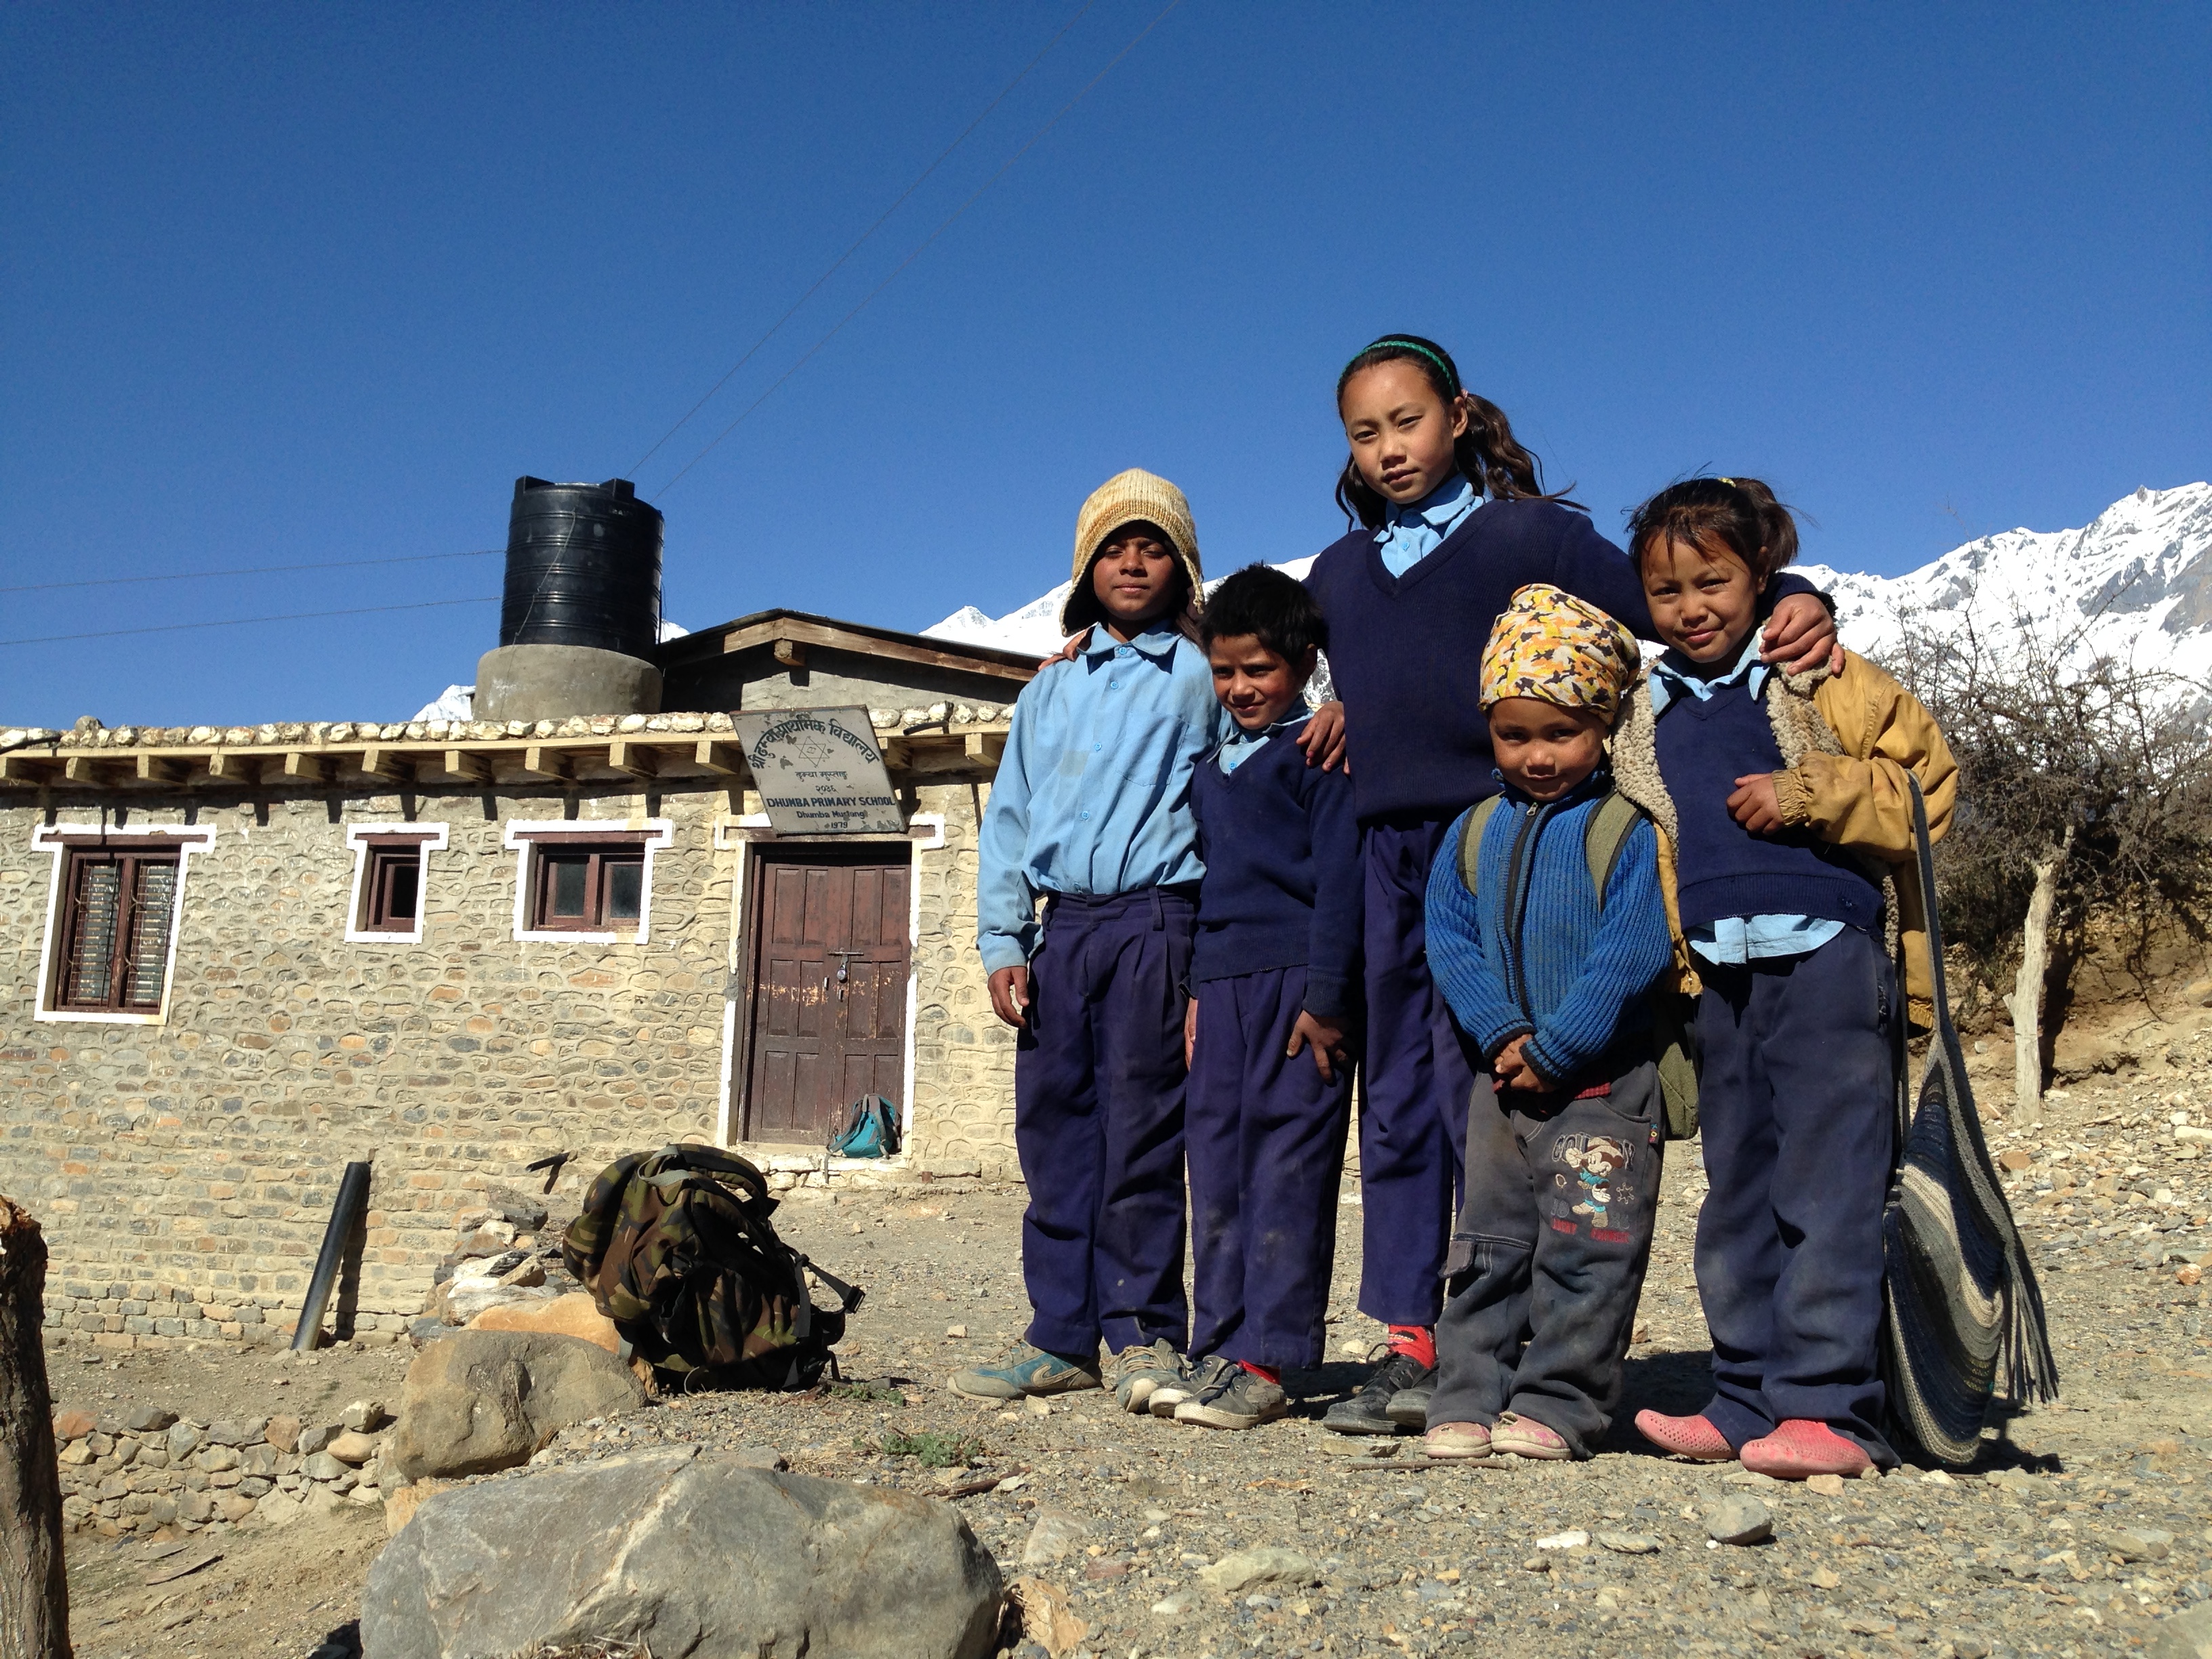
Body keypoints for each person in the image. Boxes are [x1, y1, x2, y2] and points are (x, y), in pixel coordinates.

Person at [1298, 335, 1841, 1433]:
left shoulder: (1527, 537)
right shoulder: (1336, 576)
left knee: (1495, 1101)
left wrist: (1790, 593)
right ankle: (1412, 1341)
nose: (1389, 448)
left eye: (1407, 421)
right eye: (1364, 433)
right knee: (1396, 1107)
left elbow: (1673, 597)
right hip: (1385, 858)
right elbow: (1283, 664)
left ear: (1456, 417)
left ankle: (1518, 1343)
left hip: (1507, 849)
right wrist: (1336, 699)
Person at [1610, 476, 1957, 1478]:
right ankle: (1743, 1397)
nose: (1692, 608)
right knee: (1739, 1189)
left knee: (1831, 1183)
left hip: (1829, 963)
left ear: (1762, 575)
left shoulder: (1819, 677)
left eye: (1713, 581)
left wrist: (1808, 792)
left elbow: (1928, 790)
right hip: (1717, 979)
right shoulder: (1643, 708)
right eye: (1667, 591)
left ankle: (1831, 1408)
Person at [960, 468, 1227, 1409]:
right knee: (1055, 1134)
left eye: (1154, 548)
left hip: (1157, 923)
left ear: (1183, 568)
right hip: (1060, 933)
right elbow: (1011, 818)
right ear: (1085, 570)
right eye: (1115, 548)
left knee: (1143, 1131)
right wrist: (1004, 941)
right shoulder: (1050, 689)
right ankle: (1061, 1335)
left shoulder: (1201, 677)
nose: (1133, 563)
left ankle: (1143, 1333)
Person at [1416, 583, 1674, 1461]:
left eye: (1560, 733)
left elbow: (1632, 952)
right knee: (1487, 1246)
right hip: (1503, 1086)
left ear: (1604, 725)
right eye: (1514, 734)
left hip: (1604, 1087)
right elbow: (1449, 937)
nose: (1535, 755)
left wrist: (1559, 1047)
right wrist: (1501, 1034)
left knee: (1589, 1251)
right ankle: (1466, 1394)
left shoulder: (1626, 830)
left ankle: (1561, 1404)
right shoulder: (1473, 831)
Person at [1147, 565, 1360, 1432]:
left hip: (1297, 990)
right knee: (1218, 1165)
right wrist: (1198, 991)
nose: (1240, 688)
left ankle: (1270, 1358)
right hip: (1224, 989)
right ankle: (1221, 1346)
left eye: (1259, 670)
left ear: (1303, 664)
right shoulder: (1209, 772)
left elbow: (1342, 885)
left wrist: (1329, 996)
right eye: (1225, 671)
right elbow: (1208, 892)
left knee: (1285, 1168)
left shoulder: (1319, 757)